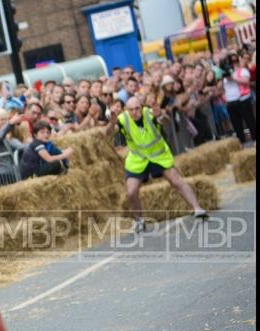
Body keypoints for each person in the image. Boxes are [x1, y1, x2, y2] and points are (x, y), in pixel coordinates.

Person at [105, 97, 207, 233]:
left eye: (137, 108)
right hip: (138, 159)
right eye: (131, 110)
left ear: (141, 107)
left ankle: (198, 209)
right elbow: (107, 133)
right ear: (126, 110)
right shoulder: (123, 119)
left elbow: (163, 120)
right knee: (131, 192)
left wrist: (161, 115)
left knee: (176, 182)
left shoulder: (149, 113)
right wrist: (111, 123)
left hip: (158, 155)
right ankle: (139, 221)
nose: (135, 112)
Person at [223, 52, 256, 146]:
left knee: (250, 120)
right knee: (236, 124)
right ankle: (241, 142)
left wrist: (234, 79)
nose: (233, 63)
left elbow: (246, 81)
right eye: (231, 61)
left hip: (243, 99)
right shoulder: (226, 74)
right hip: (231, 101)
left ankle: (254, 138)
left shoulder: (242, 71)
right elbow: (222, 87)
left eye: (235, 61)